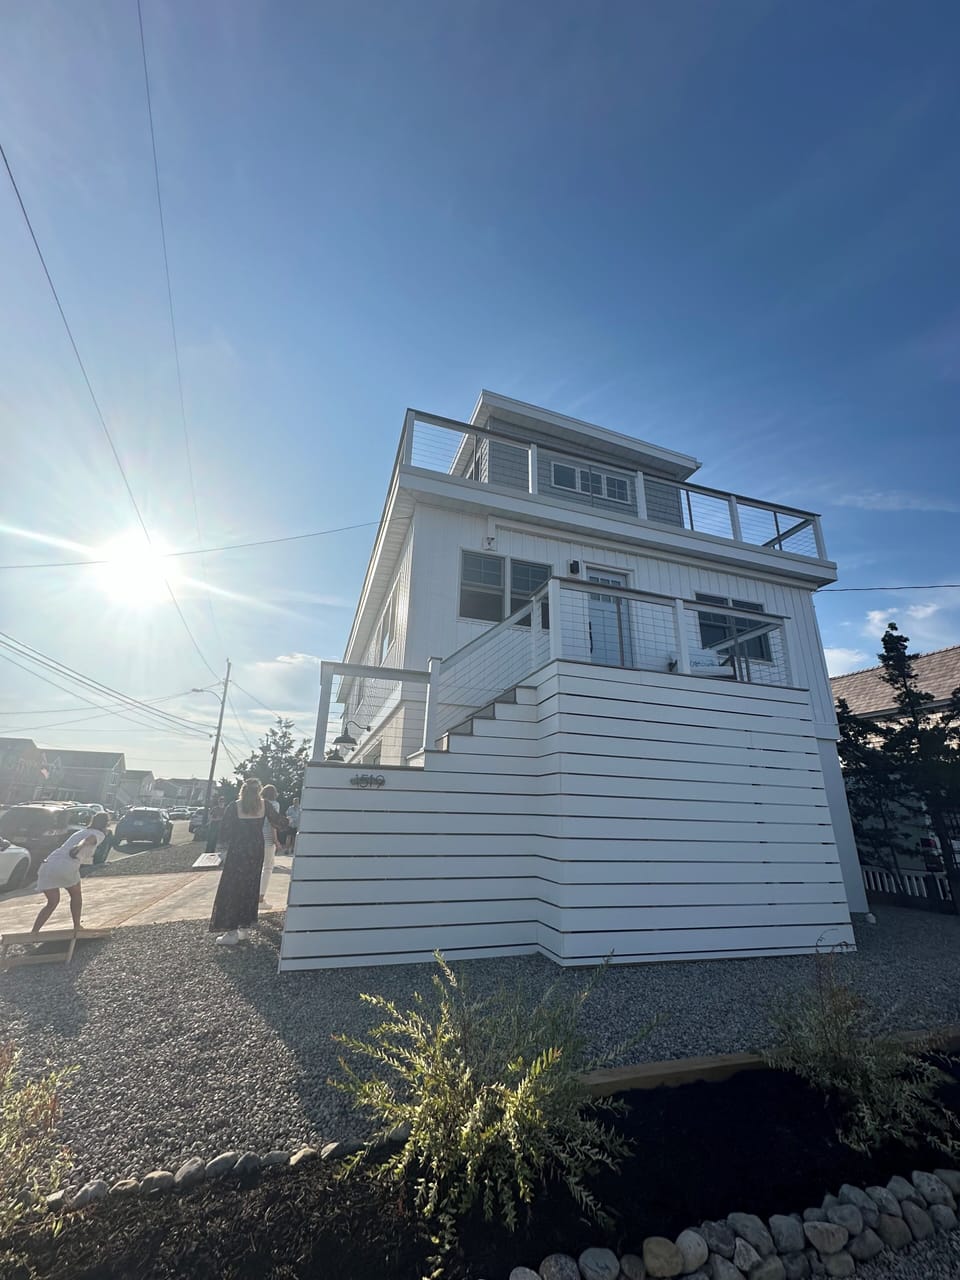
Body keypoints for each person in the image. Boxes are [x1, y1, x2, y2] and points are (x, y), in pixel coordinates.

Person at [209, 778, 284, 946]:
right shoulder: (265, 806)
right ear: (259, 791)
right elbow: (280, 822)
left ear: (242, 790)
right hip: (256, 850)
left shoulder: (234, 806)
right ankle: (244, 929)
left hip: (238, 851)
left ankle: (231, 931)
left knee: (232, 888)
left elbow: (225, 831)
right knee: (250, 887)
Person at [31, 813, 110, 935]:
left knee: (52, 902)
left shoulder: (80, 831)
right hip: (67, 865)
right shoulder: (99, 834)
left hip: (48, 864)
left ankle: (34, 931)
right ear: (106, 824)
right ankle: (77, 926)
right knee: (76, 895)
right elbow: (89, 840)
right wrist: (78, 847)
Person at [258, 783, 282, 903]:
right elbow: (274, 823)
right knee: (267, 867)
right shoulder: (274, 805)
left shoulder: (258, 804)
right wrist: (276, 840)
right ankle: (261, 897)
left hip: (256, 837)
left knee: (256, 867)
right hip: (268, 839)